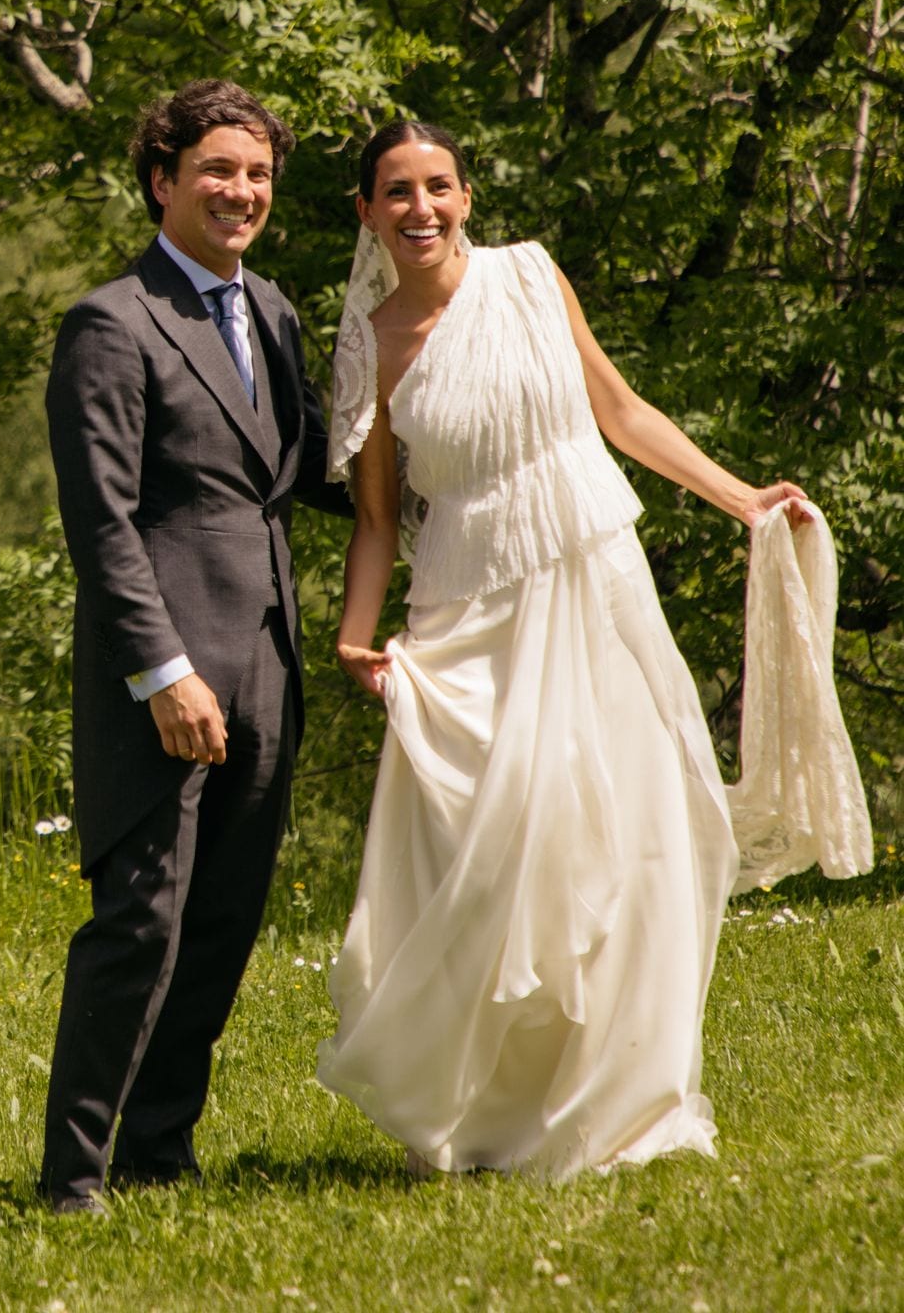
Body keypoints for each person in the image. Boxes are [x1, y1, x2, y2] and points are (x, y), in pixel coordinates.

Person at [317, 118, 869, 1180]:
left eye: (439, 186)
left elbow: (619, 410)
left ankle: (622, 1100)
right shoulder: (374, 343)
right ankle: (490, 1112)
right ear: (367, 211)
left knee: (636, 830)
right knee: (500, 862)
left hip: (593, 575)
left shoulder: (530, 277)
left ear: (466, 197)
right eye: (397, 191)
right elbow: (378, 518)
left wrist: (740, 497)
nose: (421, 209)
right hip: (469, 612)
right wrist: (352, 637)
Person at [39, 79, 348, 1214]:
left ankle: (158, 1153)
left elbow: (309, 465)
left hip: (269, 657)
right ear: (161, 179)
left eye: (258, 174)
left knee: (220, 923)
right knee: (143, 923)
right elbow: (102, 523)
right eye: (218, 169)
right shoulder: (111, 323)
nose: (241, 191)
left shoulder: (271, 309)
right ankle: (74, 1179)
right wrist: (161, 673)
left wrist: (456, 473)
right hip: (166, 672)